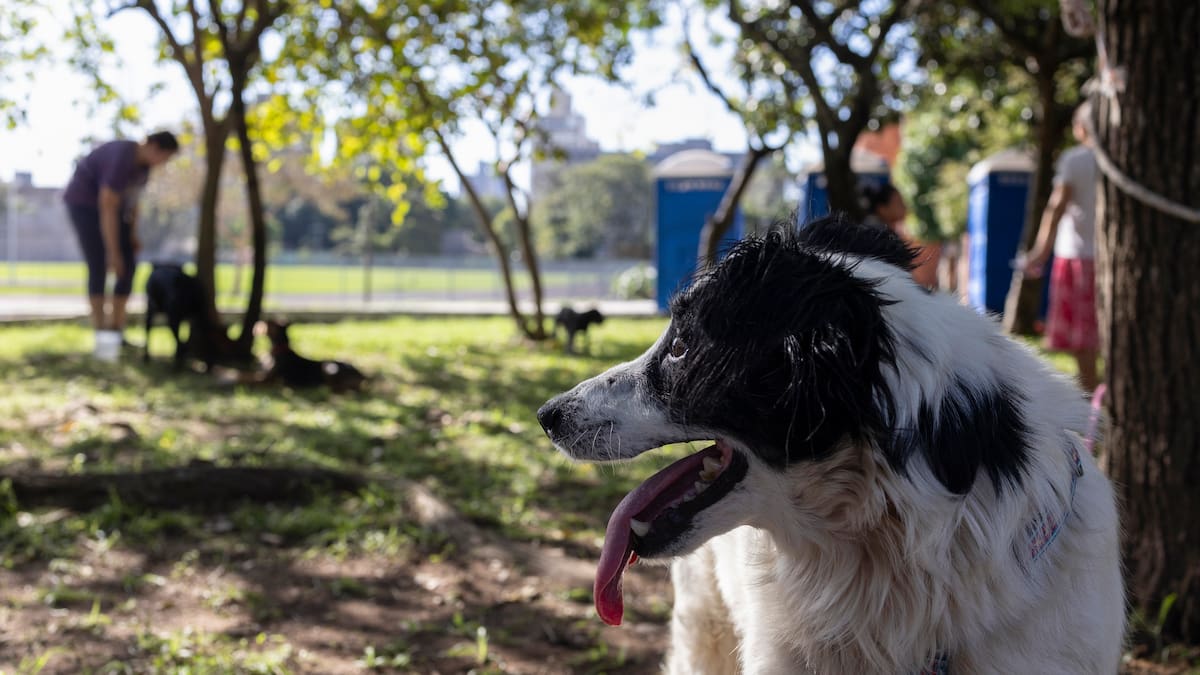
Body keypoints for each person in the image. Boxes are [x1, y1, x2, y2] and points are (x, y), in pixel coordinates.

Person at [62, 131, 179, 337]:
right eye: (165, 157)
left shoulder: (144, 168)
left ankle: (116, 328)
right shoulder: (122, 157)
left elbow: (133, 204)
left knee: (127, 265)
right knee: (98, 264)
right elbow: (107, 204)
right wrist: (112, 252)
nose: (164, 163)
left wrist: (132, 235)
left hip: (114, 211)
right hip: (85, 206)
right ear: (153, 146)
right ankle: (101, 330)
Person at [1021, 102, 1099, 391]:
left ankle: (1093, 407)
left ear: (1080, 128)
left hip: (1078, 257)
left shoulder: (1074, 160)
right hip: (1110, 260)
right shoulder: (1120, 159)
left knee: (1084, 343)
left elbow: (1056, 207)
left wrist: (1039, 253)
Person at [859, 182, 941, 289]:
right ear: (882, 209)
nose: (904, 206)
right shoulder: (877, 236)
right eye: (898, 202)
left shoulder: (878, 231)